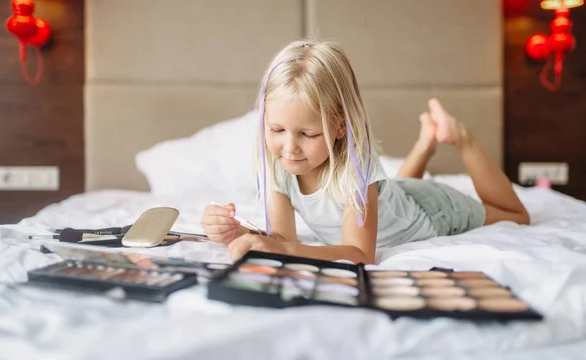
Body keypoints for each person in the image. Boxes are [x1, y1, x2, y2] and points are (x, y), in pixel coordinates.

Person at [200, 40, 530, 264]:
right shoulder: (278, 163)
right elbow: (282, 238)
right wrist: (238, 232)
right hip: (394, 203)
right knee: (394, 196)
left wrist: (279, 247)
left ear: (341, 126)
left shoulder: (355, 168)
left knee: (518, 217)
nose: (289, 148)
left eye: (308, 133)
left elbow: (359, 253)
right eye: (276, 130)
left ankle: (459, 137)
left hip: (434, 211)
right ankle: (424, 144)